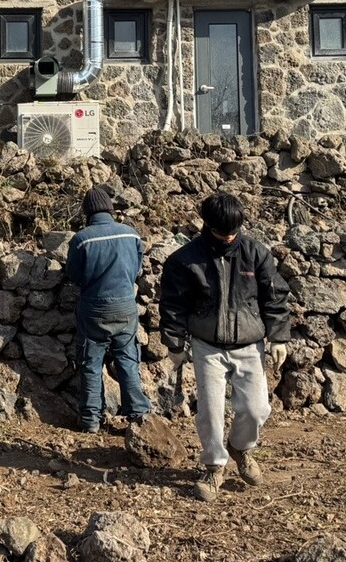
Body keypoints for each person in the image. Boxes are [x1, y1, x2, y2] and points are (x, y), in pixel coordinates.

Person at [160, 192, 291, 502]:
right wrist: (175, 344)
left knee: (257, 409)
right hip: (207, 345)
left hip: (250, 343)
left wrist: (278, 337)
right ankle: (214, 466)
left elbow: (274, 296)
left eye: (234, 230)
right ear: (208, 225)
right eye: (222, 231)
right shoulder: (184, 260)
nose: (229, 236)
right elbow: (173, 305)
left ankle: (241, 448)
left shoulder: (256, 254)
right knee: (210, 411)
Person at [66, 186, 151, 433]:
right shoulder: (131, 234)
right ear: (110, 209)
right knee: (127, 360)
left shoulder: (82, 239)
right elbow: (137, 269)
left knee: (90, 363)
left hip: (94, 308)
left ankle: (91, 419)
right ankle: (138, 415)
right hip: (125, 306)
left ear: (87, 212)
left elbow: (74, 275)